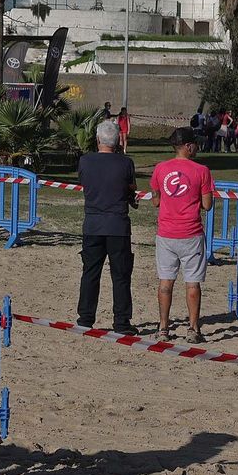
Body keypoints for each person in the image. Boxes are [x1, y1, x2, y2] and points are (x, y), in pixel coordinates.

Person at [150, 127, 215, 343]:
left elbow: (156, 200)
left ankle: (163, 328)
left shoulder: (160, 168)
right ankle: (193, 329)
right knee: (192, 283)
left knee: (165, 283)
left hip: (166, 233)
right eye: (195, 143)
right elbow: (207, 205)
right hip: (191, 233)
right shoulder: (202, 171)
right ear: (188, 146)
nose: (197, 146)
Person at [77, 119, 138, 334]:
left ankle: (85, 318)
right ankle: (121, 322)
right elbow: (131, 188)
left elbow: (86, 184)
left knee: (90, 272)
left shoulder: (85, 161)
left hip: (93, 224)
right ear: (117, 142)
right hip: (117, 225)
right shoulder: (126, 163)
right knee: (120, 275)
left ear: (97, 140)